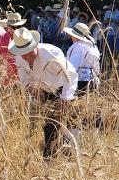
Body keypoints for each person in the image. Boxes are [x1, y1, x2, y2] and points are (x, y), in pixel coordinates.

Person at [9, 27, 78, 159]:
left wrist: (64, 99)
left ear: (35, 46)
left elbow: (71, 75)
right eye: (23, 53)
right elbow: (25, 79)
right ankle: (53, 155)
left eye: (28, 52)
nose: (26, 57)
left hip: (62, 89)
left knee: (58, 124)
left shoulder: (50, 53)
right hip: (43, 91)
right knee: (44, 125)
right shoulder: (20, 58)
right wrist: (32, 89)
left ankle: (56, 156)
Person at [65, 22, 101, 94]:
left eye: (72, 35)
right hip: (92, 81)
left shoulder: (78, 46)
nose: (71, 37)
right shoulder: (93, 46)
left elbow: (72, 67)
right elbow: (97, 68)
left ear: (75, 36)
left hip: (79, 82)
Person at [0, 11, 26, 82]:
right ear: (8, 26)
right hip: (8, 76)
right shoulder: (1, 38)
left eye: (18, 27)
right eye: (13, 27)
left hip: (23, 74)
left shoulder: (26, 37)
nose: (16, 29)